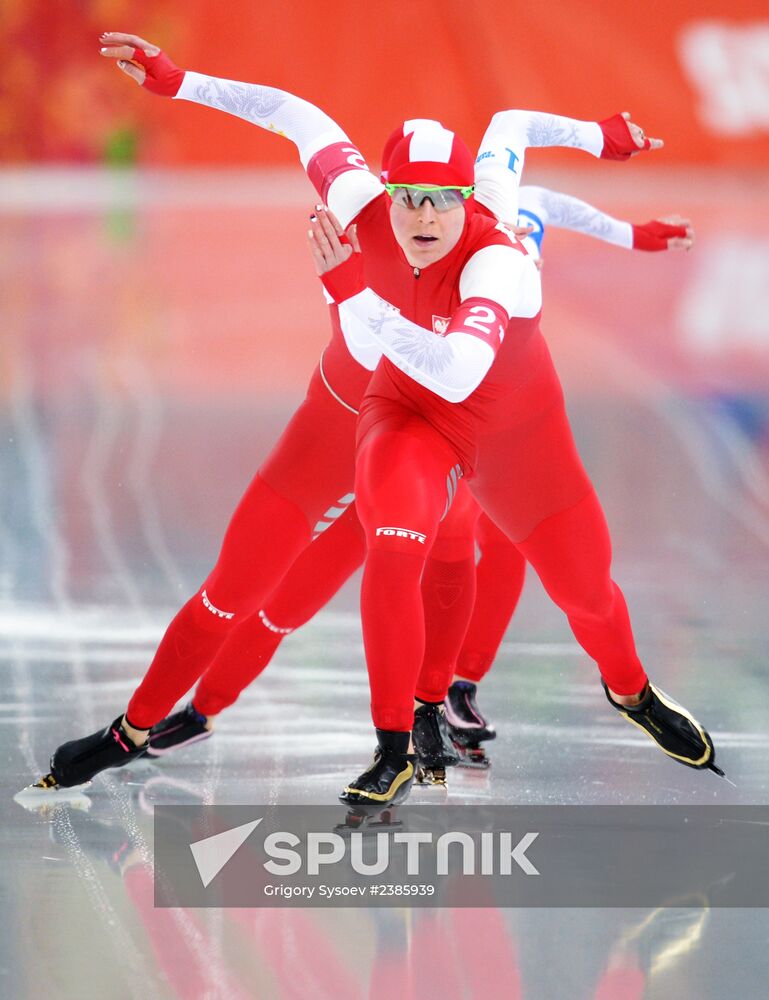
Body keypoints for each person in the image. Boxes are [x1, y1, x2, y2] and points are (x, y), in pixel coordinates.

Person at [32, 34, 719, 802]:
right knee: (236, 590)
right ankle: (136, 730)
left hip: (504, 429)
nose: (422, 217)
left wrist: (354, 290)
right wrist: (177, 80)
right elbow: (294, 112)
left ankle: (628, 692)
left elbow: (456, 368)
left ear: (469, 200)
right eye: (406, 198)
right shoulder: (356, 205)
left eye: (442, 200)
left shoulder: (497, 259)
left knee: (584, 591)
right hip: (365, 417)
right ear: (381, 191)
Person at [146, 187, 694, 773]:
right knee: (292, 598)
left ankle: (454, 690)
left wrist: (636, 234)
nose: (430, 219)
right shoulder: (405, 232)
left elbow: (550, 198)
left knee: (487, 548)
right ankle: (208, 709)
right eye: (419, 203)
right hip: (400, 433)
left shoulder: (506, 226)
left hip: (471, 440)